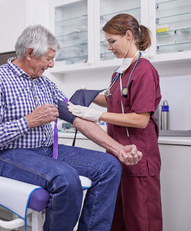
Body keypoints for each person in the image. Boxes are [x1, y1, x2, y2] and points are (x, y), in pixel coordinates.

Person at [0, 24, 142, 231]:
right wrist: (29, 120)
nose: (52, 65)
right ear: (29, 53)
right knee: (65, 177)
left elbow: (77, 118)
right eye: (48, 59)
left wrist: (118, 148)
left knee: (109, 166)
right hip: (8, 155)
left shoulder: (46, 84)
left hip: (46, 152)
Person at [69, 14, 163, 231]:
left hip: (138, 157)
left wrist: (95, 115)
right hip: (115, 157)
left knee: (142, 221)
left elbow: (140, 119)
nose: (109, 47)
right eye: (107, 42)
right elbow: (114, 100)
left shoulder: (145, 70)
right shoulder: (119, 73)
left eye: (112, 41)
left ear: (128, 36)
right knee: (117, 221)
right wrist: (89, 96)